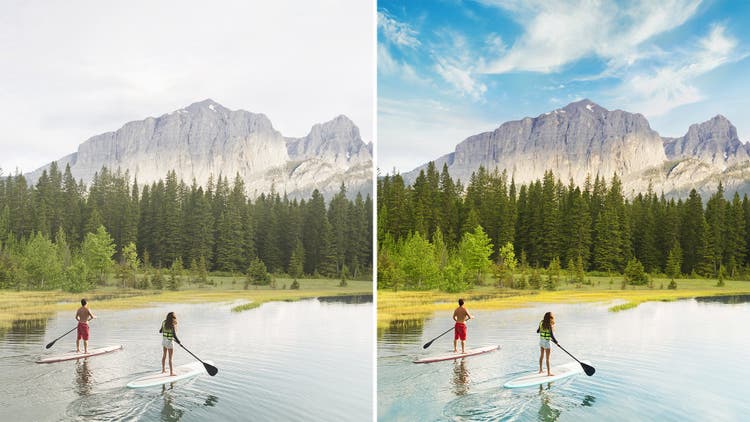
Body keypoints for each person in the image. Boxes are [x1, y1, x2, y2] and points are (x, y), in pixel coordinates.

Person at [537, 311, 559, 376]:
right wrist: (556, 342)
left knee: (541, 356)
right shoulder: (549, 325)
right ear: (550, 318)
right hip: (546, 342)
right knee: (547, 358)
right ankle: (549, 373)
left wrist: (543, 332)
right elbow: (552, 335)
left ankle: (540, 370)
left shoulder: (541, 322)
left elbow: (538, 331)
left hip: (541, 341)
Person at [159, 312, 180, 376]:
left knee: (164, 355)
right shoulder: (172, 324)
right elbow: (174, 335)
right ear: (172, 318)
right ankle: (171, 373)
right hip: (170, 342)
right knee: (170, 358)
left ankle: (163, 370)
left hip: (164, 341)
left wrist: (166, 332)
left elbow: (160, 331)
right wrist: (179, 342)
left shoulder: (163, 322)